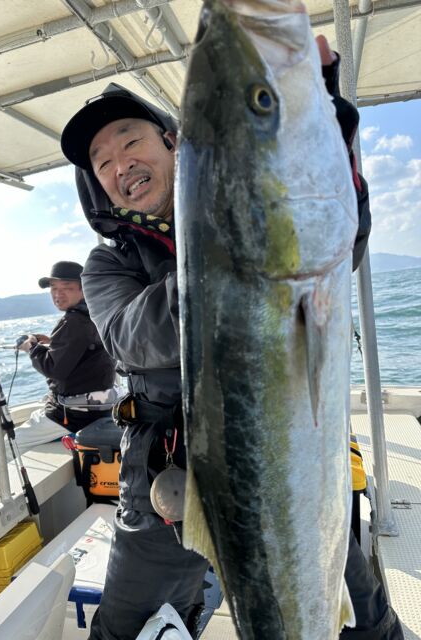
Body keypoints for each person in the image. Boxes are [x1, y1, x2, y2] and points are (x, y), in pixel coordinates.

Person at [60, 39, 403, 640]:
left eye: (130, 141)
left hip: (283, 454)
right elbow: (132, 337)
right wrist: (233, 244)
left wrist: (315, 126)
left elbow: (336, 240)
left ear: (174, 142)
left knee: (360, 616)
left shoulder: (251, 211)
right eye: (102, 162)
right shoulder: (106, 264)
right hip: (165, 479)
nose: (120, 165)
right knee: (123, 630)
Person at [13, 260, 117, 450]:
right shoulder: (95, 315)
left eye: (67, 288)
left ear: (84, 290)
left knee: (5, 446)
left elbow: (53, 369)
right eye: (54, 288)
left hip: (74, 415)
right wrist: (52, 342)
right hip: (97, 408)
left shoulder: (73, 321)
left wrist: (31, 347)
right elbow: (87, 349)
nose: (58, 294)